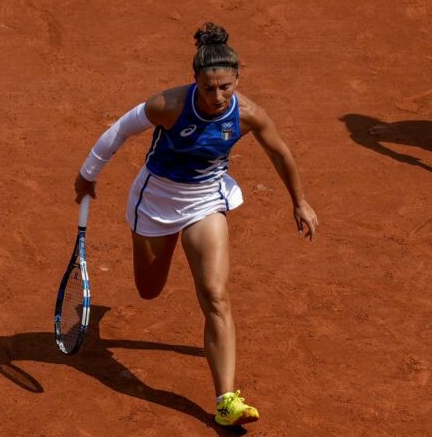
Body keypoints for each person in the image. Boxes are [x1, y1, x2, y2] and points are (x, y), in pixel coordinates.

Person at [73, 22, 319, 427]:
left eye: (226, 87)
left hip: (206, 201)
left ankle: (226, 400)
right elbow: (119, 132)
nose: (218, 96)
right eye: (209, 88)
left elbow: (281, 153)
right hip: (155, 203)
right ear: (196, 82)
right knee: (149, 290)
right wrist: (88, 174)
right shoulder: (167, 105)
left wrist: (300, 201)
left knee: (215, 294)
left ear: (238, 79)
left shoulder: (250, 115)